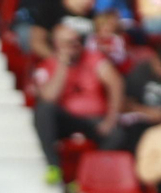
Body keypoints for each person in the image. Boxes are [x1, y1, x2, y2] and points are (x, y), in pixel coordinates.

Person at [33, 21, 125, 184]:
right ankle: (53, 167)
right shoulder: (47, 65)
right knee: (43, 110)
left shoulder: (93, 57)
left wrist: (111, 119)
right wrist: (62, 65)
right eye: (68, 42)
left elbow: (115, 82)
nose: (75, 45)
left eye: (77, 40)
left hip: (94, 119)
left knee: (117, 134)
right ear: (57, 44)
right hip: (67, 120)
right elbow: (48, 97)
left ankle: (85, 179)